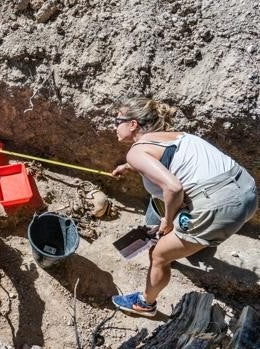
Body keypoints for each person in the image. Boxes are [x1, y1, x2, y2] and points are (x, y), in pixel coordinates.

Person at [110, 96, 257, 317]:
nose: (114, 125)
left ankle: (146, 304)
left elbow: (174, 188)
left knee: (158, 255)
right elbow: (165, 159)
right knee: (166, 205)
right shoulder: (177, 136)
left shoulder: (136, 151)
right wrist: (129, 166)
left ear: (133, 124)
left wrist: (167, 222)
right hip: (247, 191)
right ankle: (193, 240)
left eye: (117, 120)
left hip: (219, 206)